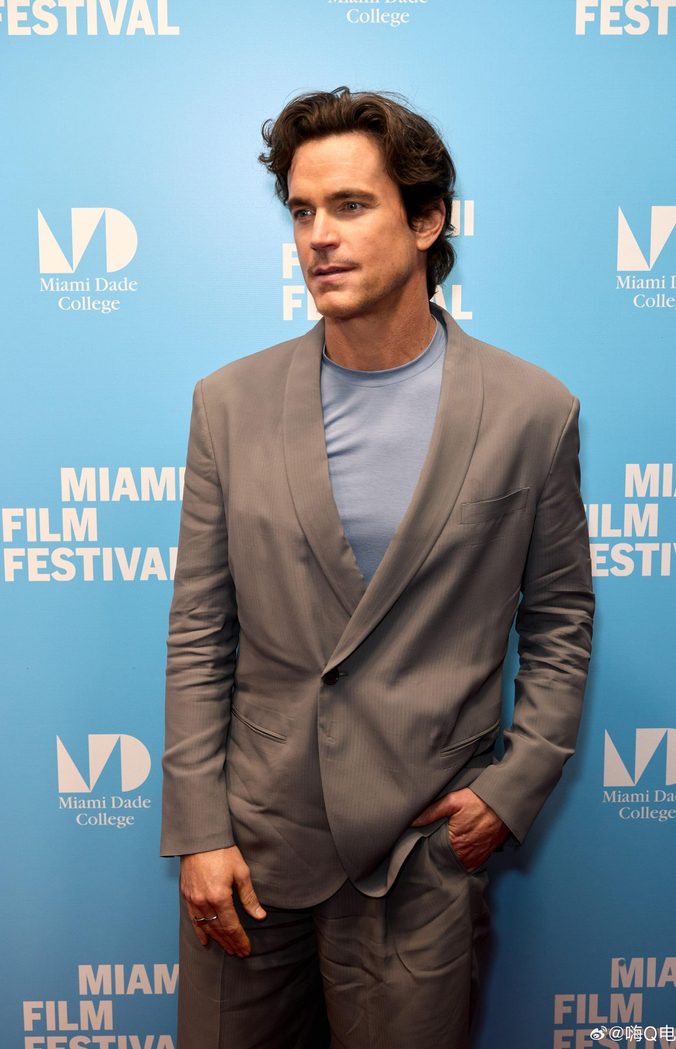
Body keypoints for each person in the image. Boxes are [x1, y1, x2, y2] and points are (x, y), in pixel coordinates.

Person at [160, 86, 595, 1049]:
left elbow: (560, 619)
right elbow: (199, 629)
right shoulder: (227, 404)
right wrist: (197, 829)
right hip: (252, 850)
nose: (319, 236)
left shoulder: (533, 412)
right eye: (302, 211)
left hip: (420, 856)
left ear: (427, 219)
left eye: (351, 205)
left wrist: (513, 785)